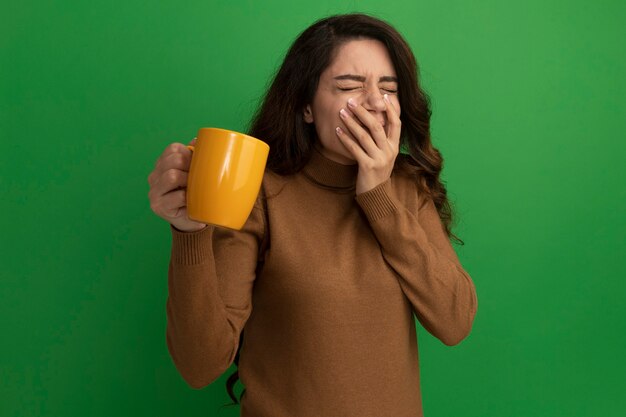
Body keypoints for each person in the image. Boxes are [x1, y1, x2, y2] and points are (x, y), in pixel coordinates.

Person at [147, 12, 478, 417]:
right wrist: (189, 229)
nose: (375, 101)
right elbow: (200, 365)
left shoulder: (408, 186)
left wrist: (379, 197)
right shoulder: (259, 192)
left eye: (388, 89)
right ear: (306, 106)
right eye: (350, 86)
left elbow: (455, 321)